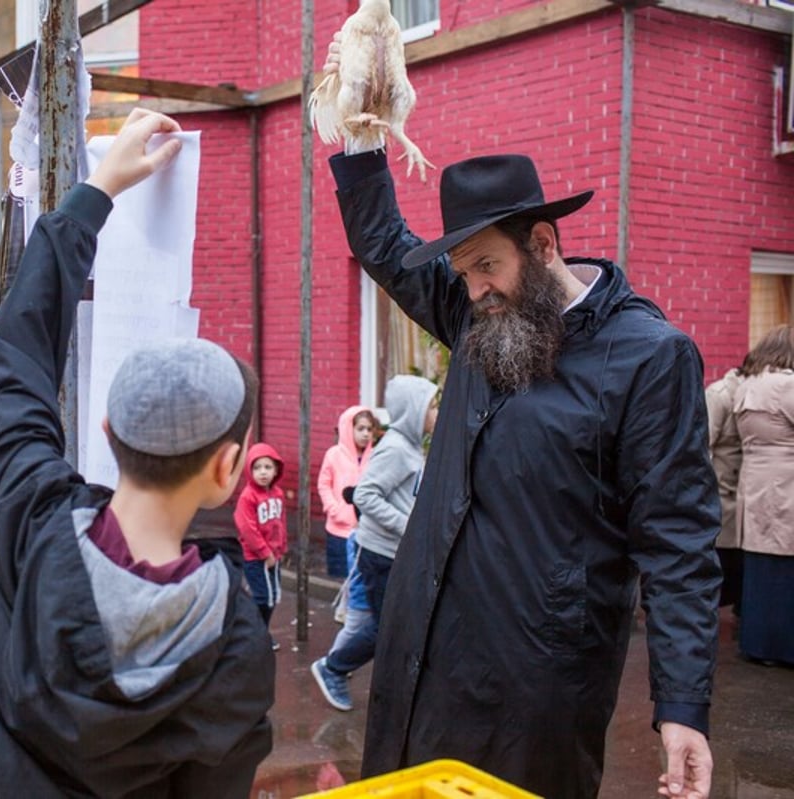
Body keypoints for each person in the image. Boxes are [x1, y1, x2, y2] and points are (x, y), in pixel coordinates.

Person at [322, 37, 720, 799]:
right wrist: (365, 136)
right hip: (422, 651)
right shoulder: (480, 318)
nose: (471, 288)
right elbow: (385, 246)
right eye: (464, 270)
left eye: (486, 266)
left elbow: (677, 542)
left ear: (542, 244)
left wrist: (681, 706)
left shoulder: (650, 357)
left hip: (532, 684)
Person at [0, 109, 274, 797]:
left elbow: (17, 349)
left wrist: (95, 193)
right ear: (228, 469)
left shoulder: (28, 514)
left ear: (103, 429)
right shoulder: (236, 642)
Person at [312, 375, 437, 712]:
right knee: (388, 628)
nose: (437, 412)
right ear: (413, 410)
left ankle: (398, 690)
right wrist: (407, 526)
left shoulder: (410, 446)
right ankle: (333, 668)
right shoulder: (395, 448)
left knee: (394, 623)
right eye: (432, 406)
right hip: (380, 553)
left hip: (394, 552)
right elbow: (366, 494)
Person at [732, 324, 794, 666]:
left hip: (754, 481)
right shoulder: (786, 385)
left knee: (760, 567)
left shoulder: (747, 384)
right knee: (785, 568)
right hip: (786, 483)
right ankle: (784, 647)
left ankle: (757, 644)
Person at [234, 442, 288, 651]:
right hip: (256, 557)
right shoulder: (248, 497)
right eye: (257, 468)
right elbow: (247, 528)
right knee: (263, 598)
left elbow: (280, 522)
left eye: (267, 467)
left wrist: (281, 547)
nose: (263, 472)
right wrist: (265, 553)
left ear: (275, 469)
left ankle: (261, 632)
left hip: (274, 555)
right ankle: (254, 635)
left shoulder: (278, 494)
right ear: (249, 470)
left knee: (274, 597)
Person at [705, 357, 747, 610]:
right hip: (720, 493)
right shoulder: (719, 395)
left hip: (739, 492)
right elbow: (703, 445)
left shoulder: (746, 395)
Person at [317, 406, 376, 577]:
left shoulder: (375, 456)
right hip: (339, 532)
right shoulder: (334, 455)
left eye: (369, 429)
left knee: (360, 581)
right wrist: (333, 509)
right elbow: (324, 484)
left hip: (365, 532)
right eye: (360, 429)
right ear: (348, 429)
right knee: (341, 580)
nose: (366, 434)